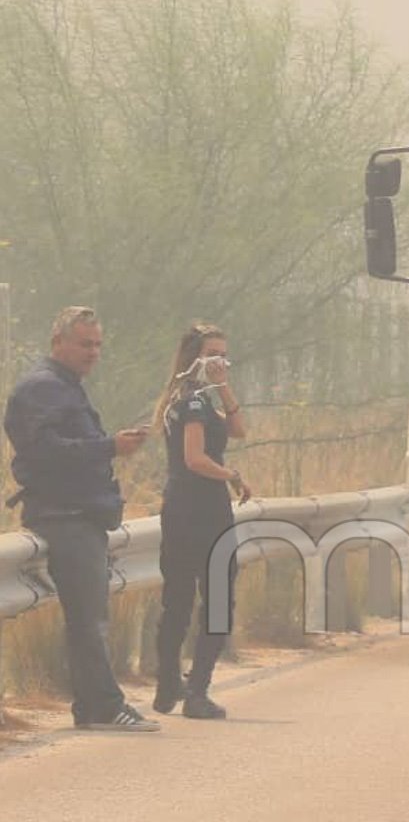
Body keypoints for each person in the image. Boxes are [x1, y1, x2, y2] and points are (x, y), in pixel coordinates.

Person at [2, 307, 157, 731]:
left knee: (89, 619)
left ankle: (93, 708)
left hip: (80, 516)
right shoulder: (43, 388)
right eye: (84, 343)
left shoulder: (65, 387)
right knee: (89, 620)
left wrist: (110, 446)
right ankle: (105, 707)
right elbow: (44, 451)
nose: (93, 352)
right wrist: (110, 446)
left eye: (97, 345)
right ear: (58, 343)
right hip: (64, 517)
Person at [152, 323, 251, 720]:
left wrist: (224, 386)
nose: (218, 362)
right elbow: (195, 459)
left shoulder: (198, 400)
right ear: (193, 356)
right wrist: (233, 476)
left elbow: (240, 430)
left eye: (223, 355)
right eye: (211, 354)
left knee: (178, 600)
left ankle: (168, 686)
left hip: (184, 508)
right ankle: (195, 690)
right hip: (201, 509)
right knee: (214, 601)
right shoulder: (191, 403)